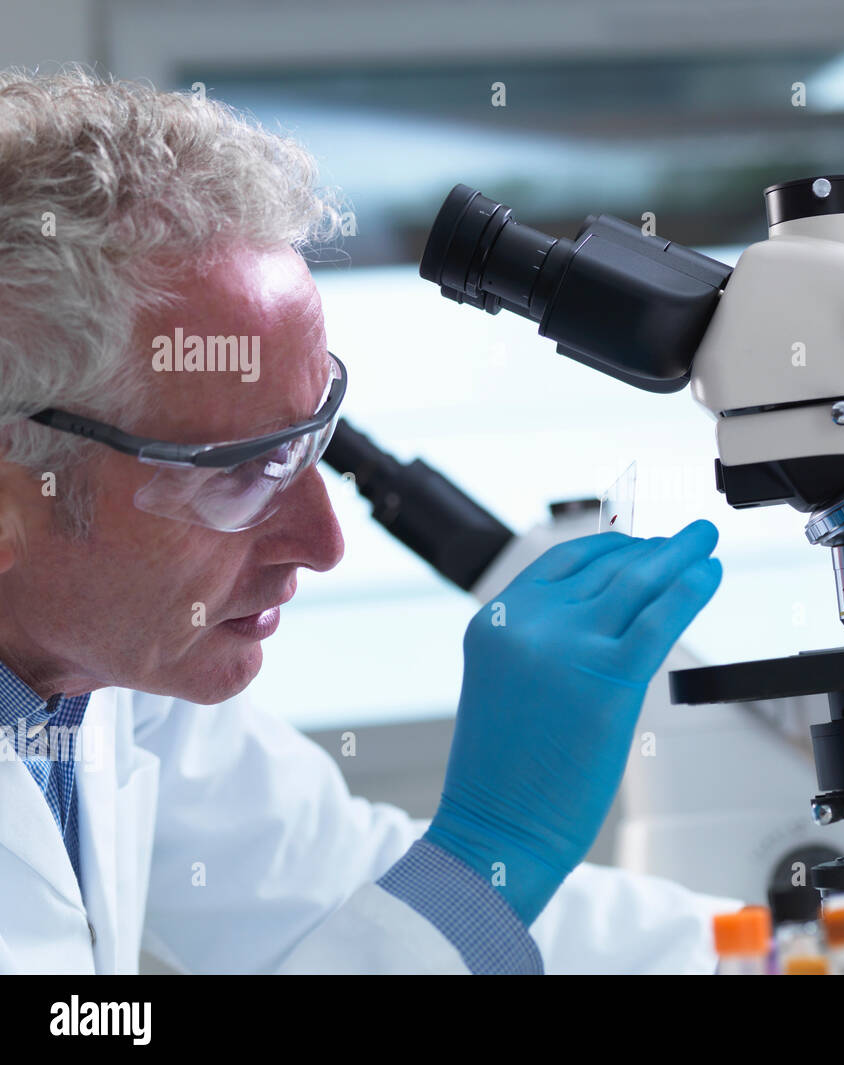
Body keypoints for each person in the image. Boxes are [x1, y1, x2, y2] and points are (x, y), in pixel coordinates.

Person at [0, 68, 735, 974]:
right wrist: (490, 852)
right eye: (237, 470)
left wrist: (801, 948)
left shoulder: (101, 675)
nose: (324, 541)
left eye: (310, 441)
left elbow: (329, 898)